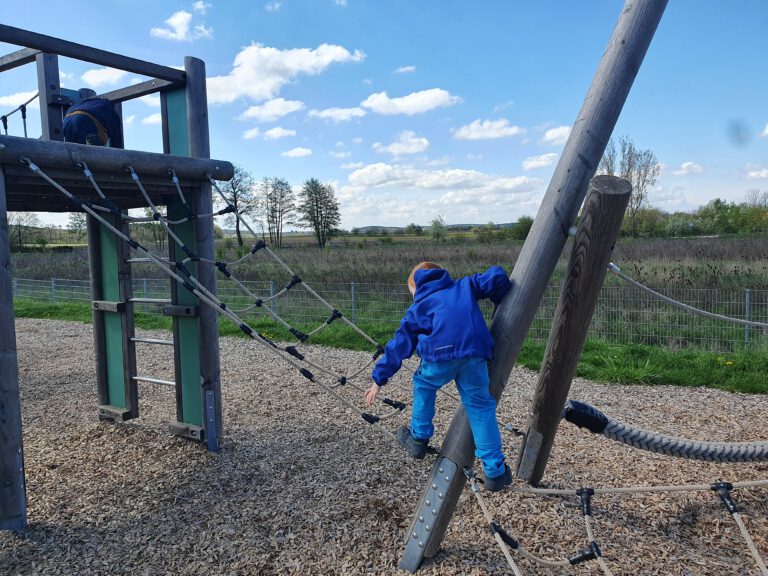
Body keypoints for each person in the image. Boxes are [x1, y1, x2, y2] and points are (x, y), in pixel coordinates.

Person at [364, 261, 513, 491]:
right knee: (480, 406)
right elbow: (497, 277)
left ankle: (419, 438)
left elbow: (399, 346)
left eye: (411, 291)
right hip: (474, 354)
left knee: (423, 384)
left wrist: (378, 379)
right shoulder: (464, 286)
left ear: (416, 285)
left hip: (439, 357)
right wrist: (498, 296)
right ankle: (495, 471)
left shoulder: (419, 306)